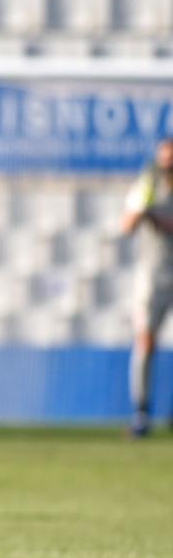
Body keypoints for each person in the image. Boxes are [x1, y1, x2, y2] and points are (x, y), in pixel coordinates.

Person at [120, 137, 173, 437]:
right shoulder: (146, 185)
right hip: (152, 275)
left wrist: (159, 217)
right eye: (164, 159)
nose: (167, 165)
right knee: (145, 341)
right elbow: (125, 226)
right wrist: (141, 212)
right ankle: (141, 412)